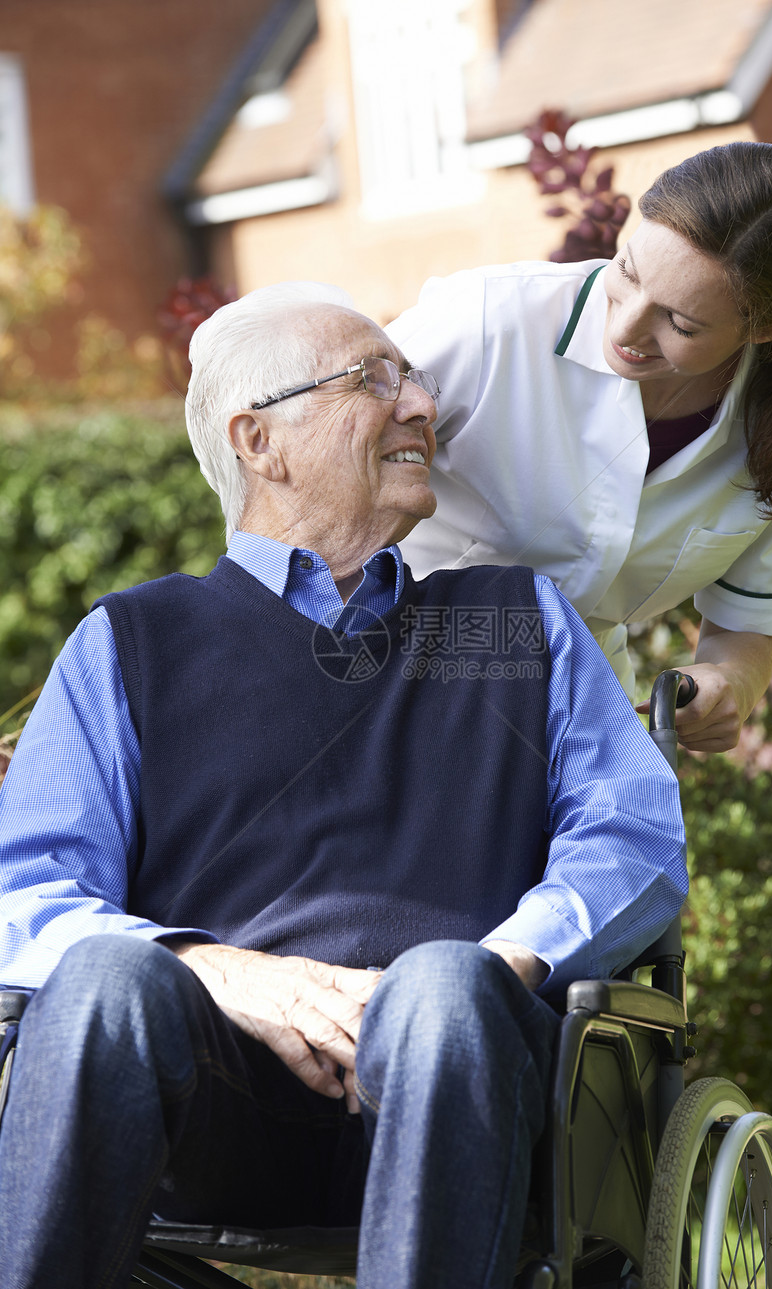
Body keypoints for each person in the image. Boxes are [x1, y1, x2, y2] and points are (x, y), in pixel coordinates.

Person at [0, 283, 687, 1289]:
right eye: (376, 378)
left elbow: (629, 835)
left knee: (443, 985)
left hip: (471, 1083)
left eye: (414, 379)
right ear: (258, 440)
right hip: (219, 1107)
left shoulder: (507, 619)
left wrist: (494, 965)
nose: (422, 406)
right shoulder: (132, 642)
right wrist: (227, 972)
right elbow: (24, 892)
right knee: (108, 979)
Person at [387, 140, 772, 754]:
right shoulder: (488, 322)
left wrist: (726, 684)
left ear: (767, 328)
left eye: (681, 324)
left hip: (582, 728)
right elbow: (300, 469)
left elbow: (743, 632)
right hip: (390, 678)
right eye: (628, 272)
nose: (626, 327)